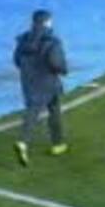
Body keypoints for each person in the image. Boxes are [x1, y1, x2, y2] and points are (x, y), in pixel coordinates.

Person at [12, 9, 68, 166]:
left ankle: (23, 142)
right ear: (47, 22)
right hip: (48, 82)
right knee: (54, 111)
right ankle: (57, 144)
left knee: (32, 111)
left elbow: (16, 60)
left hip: (29, 82)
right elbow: (56, 62)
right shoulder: (51, 41)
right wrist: (63, 70)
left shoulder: (24, 40)